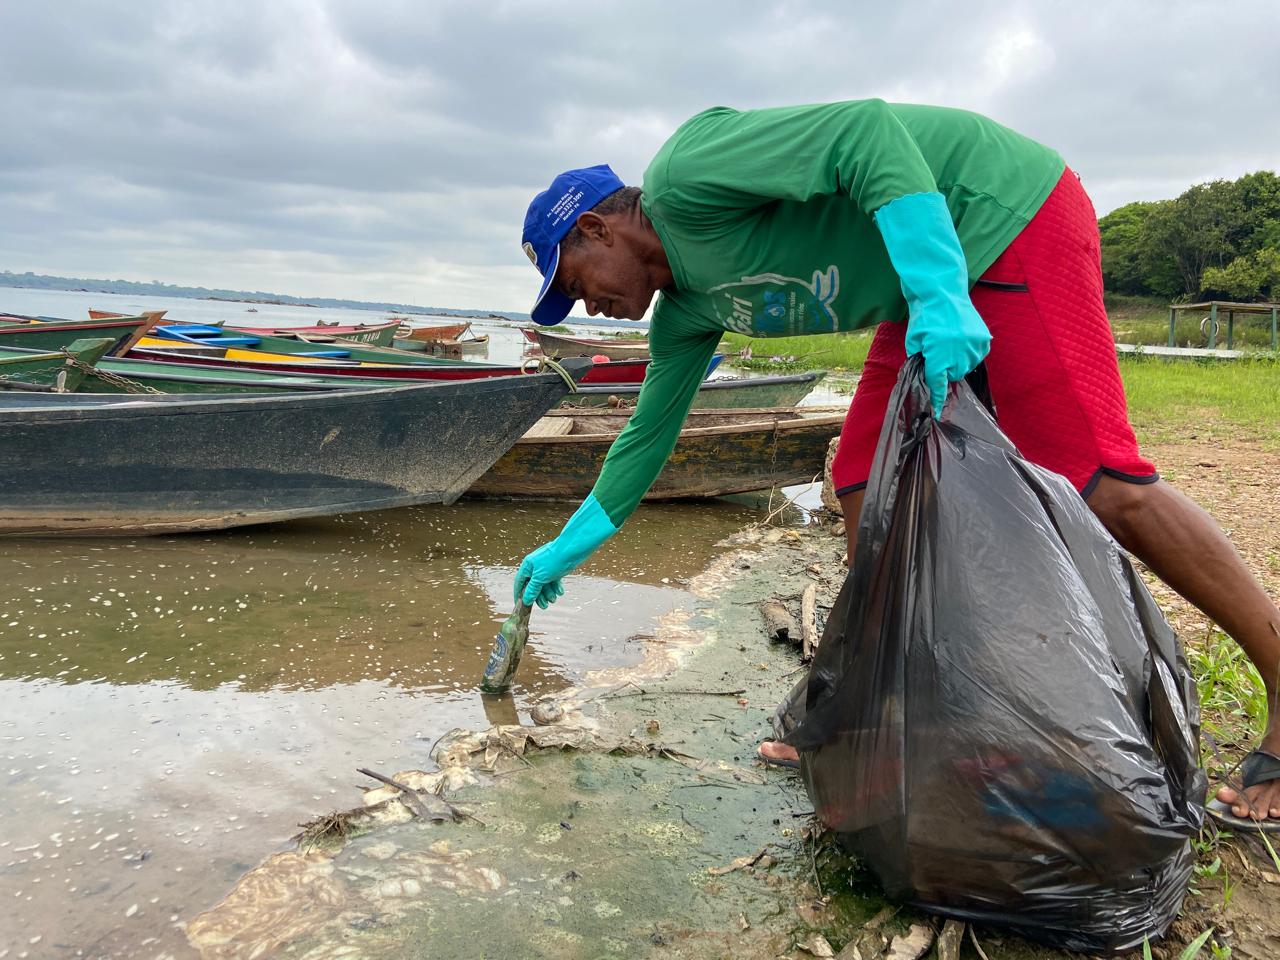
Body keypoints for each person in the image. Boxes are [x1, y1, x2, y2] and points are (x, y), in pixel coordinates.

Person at [513, 99, 1280, 828]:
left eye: (574, 284)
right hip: (917, 289)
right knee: (858, 475)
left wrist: (943, 295)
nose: (586, 308)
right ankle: (879, 707)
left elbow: (867, 134)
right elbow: (648, 435)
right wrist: (569, 545)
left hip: (1005, 216)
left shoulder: (690, 169)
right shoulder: (688, 312)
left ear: (596, 227)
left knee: (1099, 483)